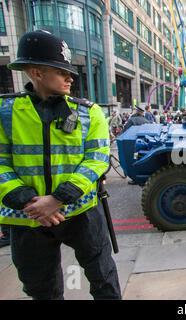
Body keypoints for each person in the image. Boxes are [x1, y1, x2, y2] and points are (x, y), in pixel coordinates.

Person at [0, 30, 121, 299]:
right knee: (41, 288)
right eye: (60, 70)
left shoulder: (89, 113)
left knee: (104, 278)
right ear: (36, 72)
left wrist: (56, 199)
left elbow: (97, 159)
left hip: (81, 211)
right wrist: (30, 202)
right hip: (27, 216)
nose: (70, 77)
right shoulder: (5, 112)